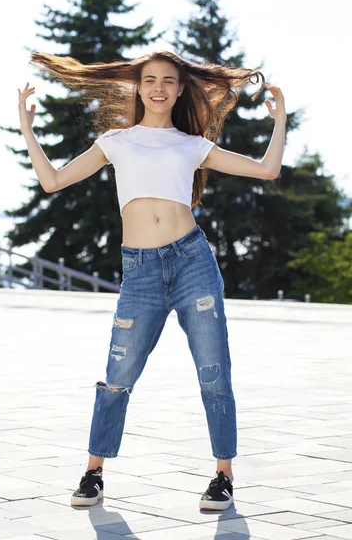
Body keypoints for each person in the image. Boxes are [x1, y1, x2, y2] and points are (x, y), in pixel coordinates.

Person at [18, 50, 286, 511]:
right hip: (140, 271)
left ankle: (223, 476)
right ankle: (93, 472)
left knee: (214, 372)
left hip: (192, 263)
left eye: (168, 80)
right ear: (138, 87)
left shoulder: (191, 145)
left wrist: (281, 120)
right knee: (117, 376)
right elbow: (53, 181)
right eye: (149, 79)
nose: (158, 87)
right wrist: (27, 127)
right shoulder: (116, 140)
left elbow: (267, 170)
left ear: (181, 89)